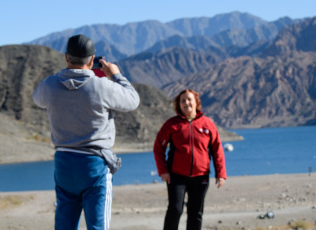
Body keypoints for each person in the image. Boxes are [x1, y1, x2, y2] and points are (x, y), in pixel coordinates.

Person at [32, 34, 140, 230]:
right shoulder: (103, 86)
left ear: (66, 57)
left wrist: (62, 76)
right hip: (94, 165)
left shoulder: (50, 85)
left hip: (64, 163)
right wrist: (115, 75)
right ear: (92, 60)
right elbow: (133, 100)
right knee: (97, 226)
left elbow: (37, 98)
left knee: (65, 224)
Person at [153, 89, 226, 230]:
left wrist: (221, 173)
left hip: (201, 177)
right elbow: (158, 148)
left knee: (196, 212)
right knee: (175, 210)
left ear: (196, 102)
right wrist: (163, 171)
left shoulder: (207, 124)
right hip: (176, 176)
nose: (186, 103)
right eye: (183, 100)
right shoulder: (171, 124)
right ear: (178, 105)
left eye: (189, 99)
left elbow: (217, 149)